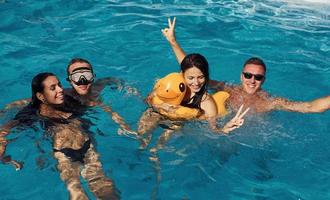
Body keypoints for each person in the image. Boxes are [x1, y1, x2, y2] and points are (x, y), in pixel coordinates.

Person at [161, 17, 330, 114]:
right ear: (241, 76)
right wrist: (173, 42)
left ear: (263, 80)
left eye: (258, 77)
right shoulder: (227, 88)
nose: (252, 80)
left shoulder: (270, 102)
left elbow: (310, 106)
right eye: (248, 75)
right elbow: (193, 72)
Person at [3, 72, 119, 200]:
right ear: (41, 96)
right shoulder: (31, 113)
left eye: (59, 85)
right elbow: (6, 128)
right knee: (77, 194)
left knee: (108, 192)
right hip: (64, 155)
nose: (60, 89)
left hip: (88, 147)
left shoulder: (68, 101)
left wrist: (110, 79)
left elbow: (91, 92)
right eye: (53, 88)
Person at [137, 53, 249, 150]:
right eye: (190, 78)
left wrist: (226, 128)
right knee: (141, 138)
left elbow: (213, 131)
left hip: (177, 124)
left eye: (201, 77)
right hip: (157, 113)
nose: (196, 83)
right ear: (182, 74)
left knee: (156, 149)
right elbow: (148, 100)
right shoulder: (172, 85)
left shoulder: (206, 102)